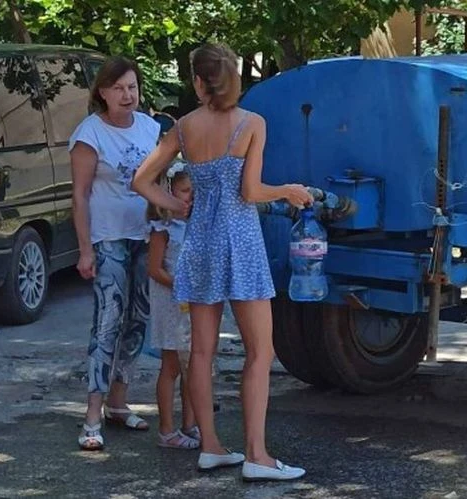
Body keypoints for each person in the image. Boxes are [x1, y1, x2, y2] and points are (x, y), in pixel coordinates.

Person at [132, 43, 313, 481]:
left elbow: (142, 180)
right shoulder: (252, 123)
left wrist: (176, 208)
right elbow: (250, 193)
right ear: (234, 79)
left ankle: (210, 445)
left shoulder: (185, 127)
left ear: (197, 81)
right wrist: (286, 190)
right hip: (242, 243)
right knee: (259, 351)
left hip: (200, 244)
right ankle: (257, 455)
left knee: (202, 351)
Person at [70, 56, 164, 451]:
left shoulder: (151, 128)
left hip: (145, 234)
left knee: (139, 321)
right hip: (109, 238)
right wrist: (85, 249)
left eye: (133, 87)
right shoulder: (89, 134)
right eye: (119, 88)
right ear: (102, 93)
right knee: (107, 322)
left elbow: (161, 181)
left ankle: (119, 402)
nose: (127, 95)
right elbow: (80, 194)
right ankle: (92, 415)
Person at [146, 163, 200, 450]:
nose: (190, 198)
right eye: (184, 191)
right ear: (168, 191)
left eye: (193, 192)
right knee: (171, 366)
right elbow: (155, 269)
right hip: (171, 302)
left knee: (194, 363)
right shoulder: (162, 229)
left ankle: (190, 424)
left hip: (192, 301)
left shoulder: (193, 225)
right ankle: (167, 430)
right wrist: (181, 287)